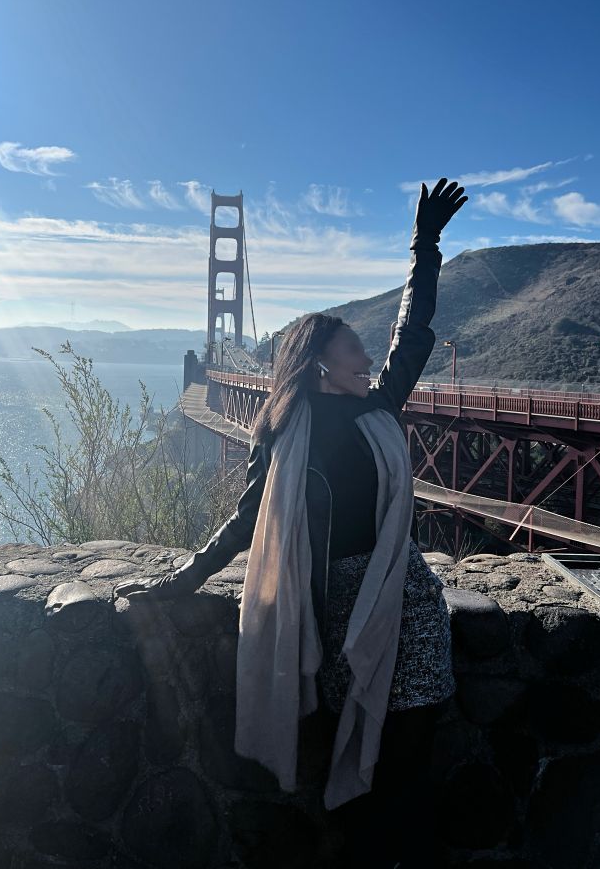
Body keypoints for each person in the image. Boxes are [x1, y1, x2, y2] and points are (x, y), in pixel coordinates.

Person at [115, 178, 467, 869]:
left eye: (367, 348)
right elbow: (248, 521)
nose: (369, 357)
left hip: (407, 605)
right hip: (335, 614)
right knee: (355, 766)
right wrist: (183, 579)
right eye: (354, 349)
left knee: (410, 763)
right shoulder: (281, 433)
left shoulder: (378, 408)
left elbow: (415, 331)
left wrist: (424, 246)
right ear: (320, 367)